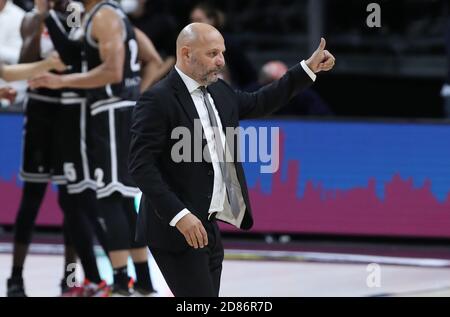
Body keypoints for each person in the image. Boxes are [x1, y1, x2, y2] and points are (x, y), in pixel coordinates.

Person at [128, 22, 335, 297]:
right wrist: (179, 216)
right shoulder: (157, 100)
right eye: (212, 53)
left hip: (210, 227)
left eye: (222, 53)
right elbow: (141, 166)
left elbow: (262, 101)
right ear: (186, 53)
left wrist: (307, 69)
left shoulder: (219, 91)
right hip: (176, 230)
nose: (221, 61)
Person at [30, 0, 160, 296]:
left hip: (112, 111)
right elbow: (151, 57)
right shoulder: (109, 15)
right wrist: (137, 95)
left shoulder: (103, 16)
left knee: (111, 197)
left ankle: (119, 281)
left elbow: (113, 72)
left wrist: (61, 81)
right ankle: (142, 280)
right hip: (118, 110)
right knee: (125, 199)